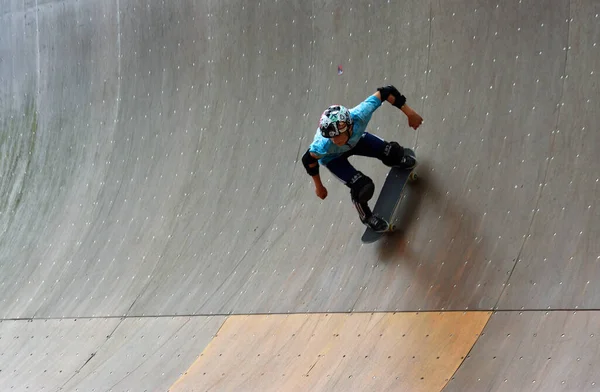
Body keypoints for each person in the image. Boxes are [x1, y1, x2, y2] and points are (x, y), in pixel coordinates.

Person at [301, 85, 423, 232]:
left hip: (356, 141)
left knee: (392, 152)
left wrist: (410, 113)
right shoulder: (322, 145)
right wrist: (318, 186)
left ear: (350, 126)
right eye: (331, 137)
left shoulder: (360, 114)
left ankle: (396, 160)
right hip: (333, 158)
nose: (334, 140)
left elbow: (387, 92)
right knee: (363, 187)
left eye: (338, 135)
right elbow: (308, 160)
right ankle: (366, 217)